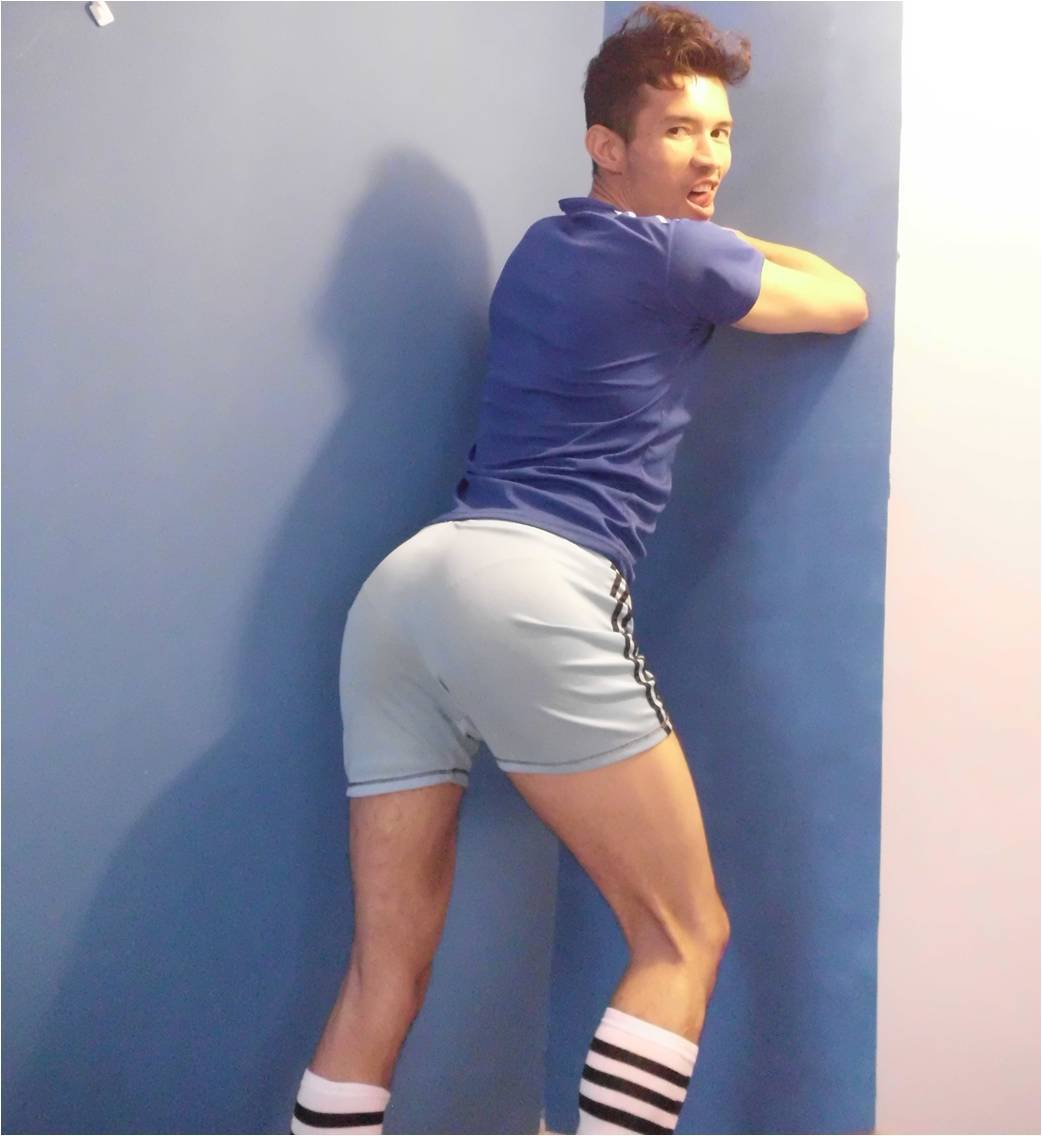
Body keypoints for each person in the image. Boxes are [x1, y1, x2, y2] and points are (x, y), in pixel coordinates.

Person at [290, 4, 868, 1133]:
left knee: (381, 972)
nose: (708, 158)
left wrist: (705, 228)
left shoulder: (542, 248)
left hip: (407, 592)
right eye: (679, 131)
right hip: (534, 588)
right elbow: (842, 299)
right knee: (684, 933)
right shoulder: (687, 256)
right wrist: (728, 242)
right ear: (607, 143)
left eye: (720, 132)